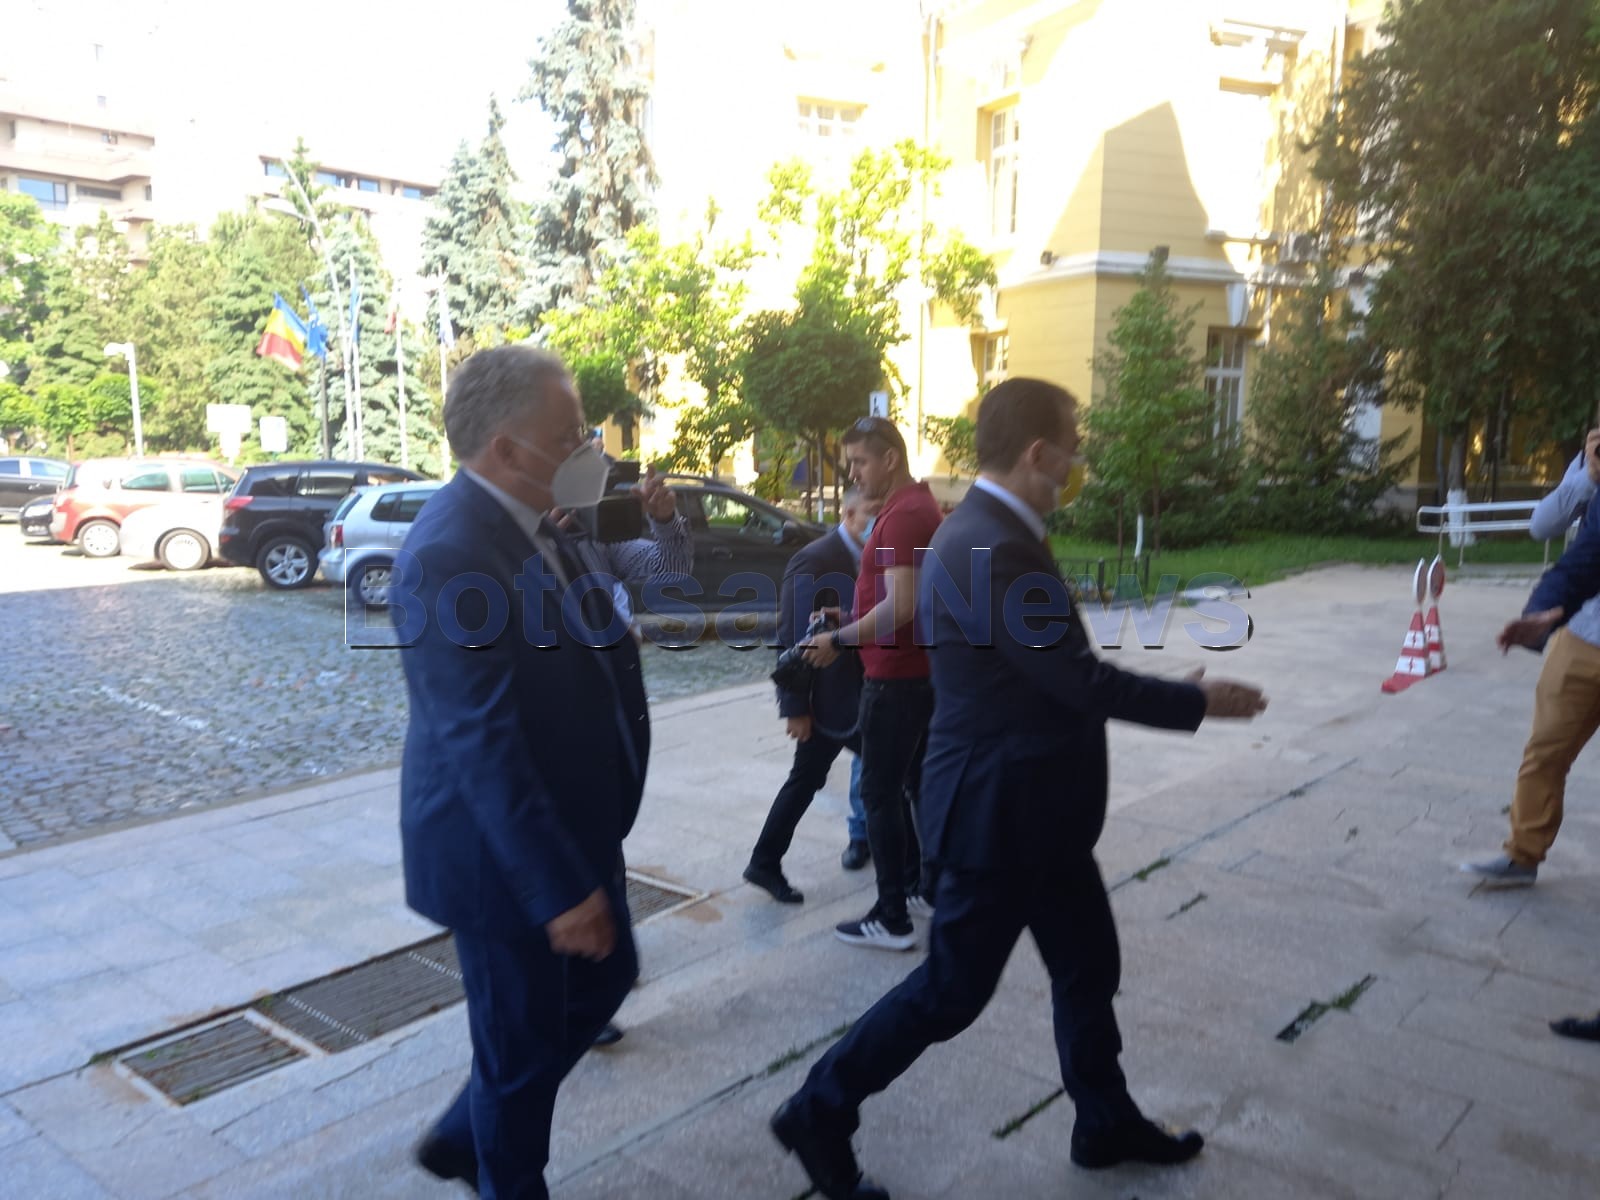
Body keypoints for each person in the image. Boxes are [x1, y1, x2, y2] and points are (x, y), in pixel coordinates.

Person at [771, 378, 1268, 1200]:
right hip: (998, 817)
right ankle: (817, 1110)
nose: (1077, 462)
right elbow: (1076, 680)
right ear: (1038, 453)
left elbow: (1043, 671)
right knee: (951, 992)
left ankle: (1103, 1120)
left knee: (1087, 965)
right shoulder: (992, 545)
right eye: (1072, 447)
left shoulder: (984, 531)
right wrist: (1195, 702)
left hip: (1038, 810)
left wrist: (1160, 690)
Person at [397, 344, 682, 1198]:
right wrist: (557, 891)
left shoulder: (539, 522)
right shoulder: (449, 551)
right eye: (570, 435)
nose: (589, 449)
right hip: (502, 859)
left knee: (609, 977)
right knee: (518, 1056)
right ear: (506, 450)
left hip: (575, 823)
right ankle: (501, 1169)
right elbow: (478, 742)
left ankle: (463, 1138)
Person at [803, 416, 943, 951]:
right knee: (912, 785)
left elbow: (902, 606)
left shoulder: (903, 517)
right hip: (915, 674)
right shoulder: (916, 506)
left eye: (860, 461)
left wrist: (839, 640)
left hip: (894, 681)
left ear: (890, 458)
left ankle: (891, 918)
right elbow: (900, 598)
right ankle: (923, 889)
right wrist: (850, 615)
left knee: (878, 793)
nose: (853, 473)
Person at [1463, 430, 1600, 886]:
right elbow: (1549, 530)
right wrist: (1587, 477)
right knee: (1545, 750)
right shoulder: (1591, 464)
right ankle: (1522, 855)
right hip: (1584, 634)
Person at [745, 488, 881, 903]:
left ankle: (764, 862)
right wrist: (794, 707)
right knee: (890, 776)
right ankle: (909, 876)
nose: (878, 521)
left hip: (862, 692)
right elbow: (791, 637)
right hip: (829, 701)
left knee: (817, 778)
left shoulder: (879, 556)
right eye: (872, 513)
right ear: (849, 513)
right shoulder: (814, 559)